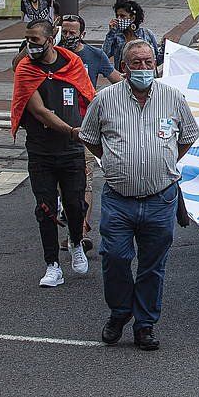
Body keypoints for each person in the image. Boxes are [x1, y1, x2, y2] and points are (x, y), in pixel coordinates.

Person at [79, 40, 199, 351]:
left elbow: (187, 137)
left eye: (149, 62)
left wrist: (165, 161)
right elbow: (90, 137)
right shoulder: (105, 99)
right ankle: (120, 313)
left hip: (161, 198)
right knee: (115, 257)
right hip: (119, 199)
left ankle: (145, 324)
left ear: (156, 65)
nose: (144, 68)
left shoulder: (173, 97)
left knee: (152, 264)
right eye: (137, 63)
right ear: (124, 67)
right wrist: (111, 160)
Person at [10, 20, 95, 288]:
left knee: (75, 205)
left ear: (50, 39)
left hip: (71, 152)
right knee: (45, 208)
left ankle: (75, 241)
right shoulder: (25, 70)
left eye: (35, 39)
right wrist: (71, 131)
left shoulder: (72, 65)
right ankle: (52, 265)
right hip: (41, 150)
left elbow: (89, 98)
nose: (30, 45)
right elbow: (38, 111)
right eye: (27, 39)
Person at [58, 13, 122, 253]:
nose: (67, 36)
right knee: (62, 183)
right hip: (57, 126)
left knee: (84, 181)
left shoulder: (94, 55)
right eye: (64, 31)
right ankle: (71, 223)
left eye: (72, 32)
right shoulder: (52, 54)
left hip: (86, 127)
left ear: (82, 34)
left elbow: (117, 79)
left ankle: (80, 233)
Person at [103, 1, 161, 70]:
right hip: (124, 76)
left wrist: (164, 47)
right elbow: (104, 55)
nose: (118, 19)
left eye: (122, 16)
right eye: (117, 16)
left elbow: (157, 59)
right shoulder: (116, 36)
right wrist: (111, 33)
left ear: (132, 18)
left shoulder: (146, 34)